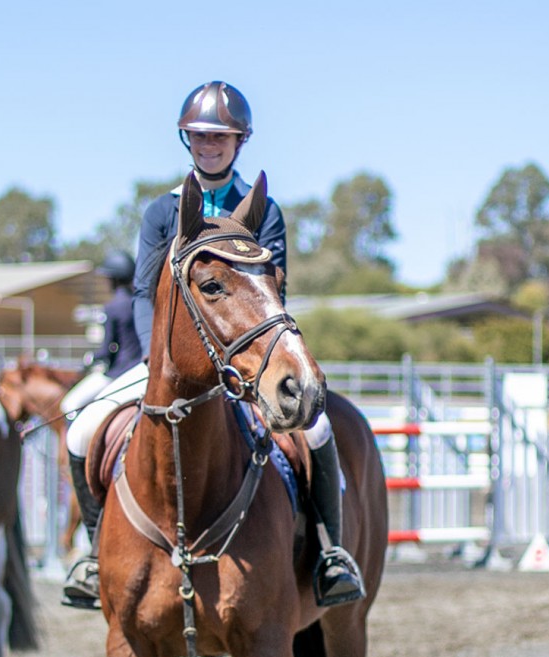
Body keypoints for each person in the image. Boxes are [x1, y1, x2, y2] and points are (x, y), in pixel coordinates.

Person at [61, 80, 364, 609]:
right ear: (187, 139)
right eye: (200, 136)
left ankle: (329, 554)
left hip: (243, 357)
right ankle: (93, 555)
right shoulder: (165, 211)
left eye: (220, 136)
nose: (209, 145)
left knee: (314, 429)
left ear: (239, 141)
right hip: (170, 362)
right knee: (83, 430)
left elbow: (272, 290)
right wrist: (158, 359)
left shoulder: (263, 210)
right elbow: (143, 290)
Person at [61, 251, 143, 607]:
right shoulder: (143, 302)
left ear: (111, 278)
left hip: (118, 375)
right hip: (140, 371)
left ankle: (93, 533)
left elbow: (107, 353)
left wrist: (92, 361)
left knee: (69, 411)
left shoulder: (112, 308)